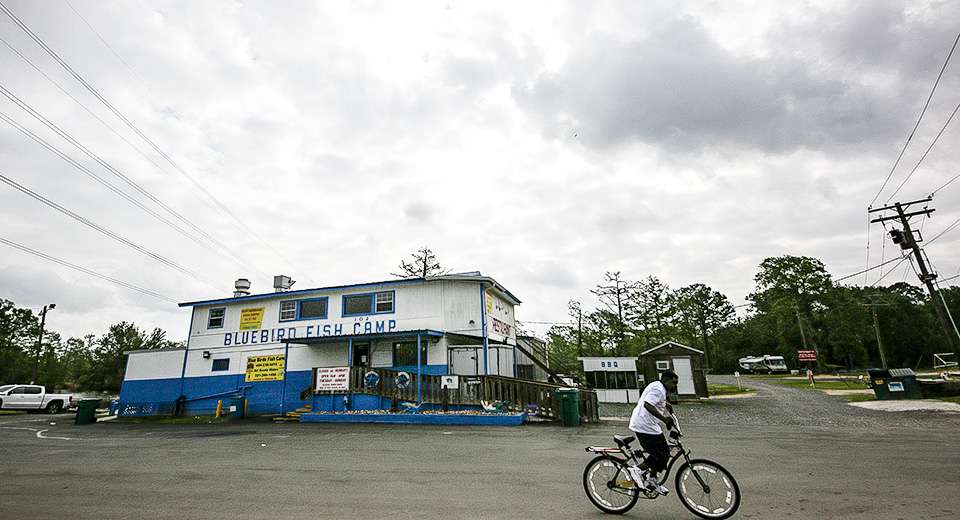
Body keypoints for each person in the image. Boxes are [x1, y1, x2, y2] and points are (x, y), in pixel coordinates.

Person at [628, 370, 680, 495]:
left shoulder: (658, 386)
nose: (675, 386)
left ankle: (652, 479)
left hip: (649, 425)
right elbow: (648, 404)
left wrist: (665, 404)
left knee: (664, 454)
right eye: (673, 383)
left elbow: (654, 400)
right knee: (659, 454)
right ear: (666, 381)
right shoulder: (659, 389)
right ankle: (637, 470)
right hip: (644, 425)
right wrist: (665, 419)